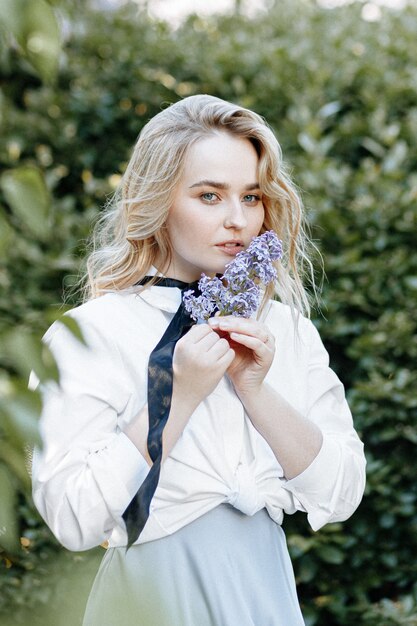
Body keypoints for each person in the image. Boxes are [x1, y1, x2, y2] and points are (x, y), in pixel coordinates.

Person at [30, 94, 366, 626]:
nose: (237, 220)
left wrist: (256, 391)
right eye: (210, 196)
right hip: (149, 601)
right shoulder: (91, 334)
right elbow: (73, 518)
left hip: (263, 593)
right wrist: (175, 397)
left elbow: (342, 492)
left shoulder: (286, 331)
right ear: (158, 199)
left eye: (252, 197)